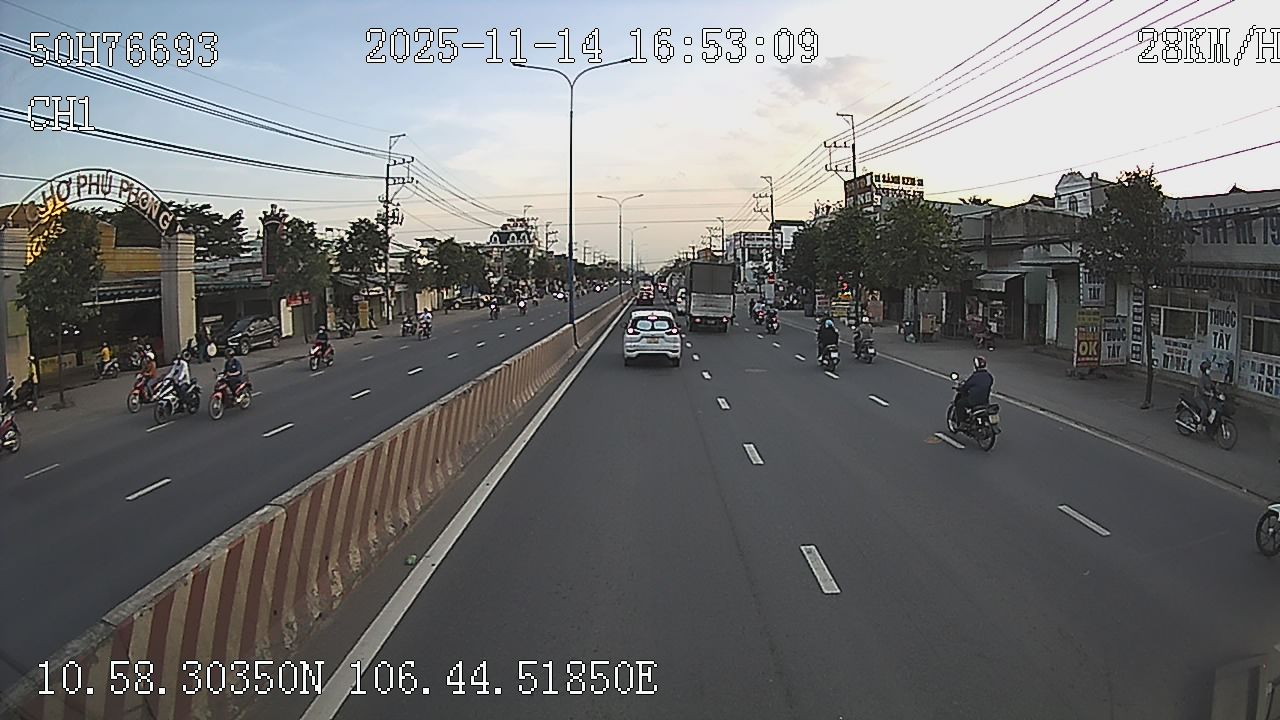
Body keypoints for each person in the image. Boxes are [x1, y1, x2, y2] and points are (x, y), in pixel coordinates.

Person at [954, 356, 994, 424]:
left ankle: (962, 422)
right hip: (985, 401)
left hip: (973, 401)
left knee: (959, 404)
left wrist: (960, 388)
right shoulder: (989, 376)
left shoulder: (974, 376)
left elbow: (966, 387)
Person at [1195, 360, 1220, 428]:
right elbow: (1202, 390)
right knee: (1205, 409)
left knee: (1212, 408)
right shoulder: (1201, 378)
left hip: (1206, 398)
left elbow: (1212, 385)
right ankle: (1200, 424)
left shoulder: (1208, 377)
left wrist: (1217, 390)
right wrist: (1209, 394)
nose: (1209, 370)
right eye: (1208, 369)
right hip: (1199, 397)